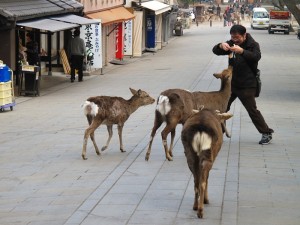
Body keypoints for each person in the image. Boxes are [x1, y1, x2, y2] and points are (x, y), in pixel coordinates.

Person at [212, 25, 274, 145]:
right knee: (222, 108)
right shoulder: (231, 43)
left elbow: (256, 57)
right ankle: (219, 132)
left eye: (237, 38)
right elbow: (215, 51)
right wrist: (220, 45)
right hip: (231, 85)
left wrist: (242, 52)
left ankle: (266, 133)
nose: (234, 40)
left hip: (247, 84)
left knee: (252, 110)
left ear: (244, 35)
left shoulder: (253, 45)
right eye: (232, 37)